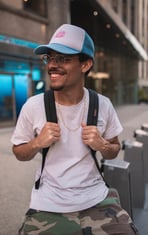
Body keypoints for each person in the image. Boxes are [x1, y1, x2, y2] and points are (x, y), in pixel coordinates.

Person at [11, 24, 139, 235]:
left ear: (85, 64)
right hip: (48, 203)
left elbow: (114, 148)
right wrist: (36, 143)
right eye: (50, 58)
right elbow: (18, 152)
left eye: (63, 59)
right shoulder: (34, 106)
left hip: (96, 198)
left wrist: (102, 145)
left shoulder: (102, 104)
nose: (53, 65)